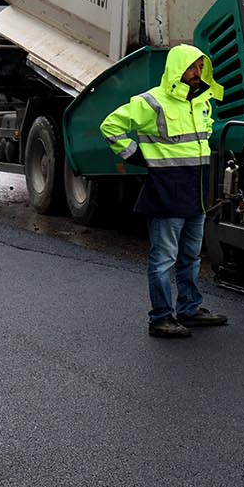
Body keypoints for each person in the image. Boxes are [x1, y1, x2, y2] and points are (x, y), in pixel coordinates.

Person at [100, 44, 226, 339]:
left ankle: (189, 309)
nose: (197, 73)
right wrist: (135, 156)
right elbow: (111, 126)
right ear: (177, 69)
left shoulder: (201, 102)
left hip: (196, 193)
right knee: (164, 259)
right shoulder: (153, 102)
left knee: (191, 257)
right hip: (167, 192)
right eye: (192, 68)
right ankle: (161, 317)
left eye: (200, 67)